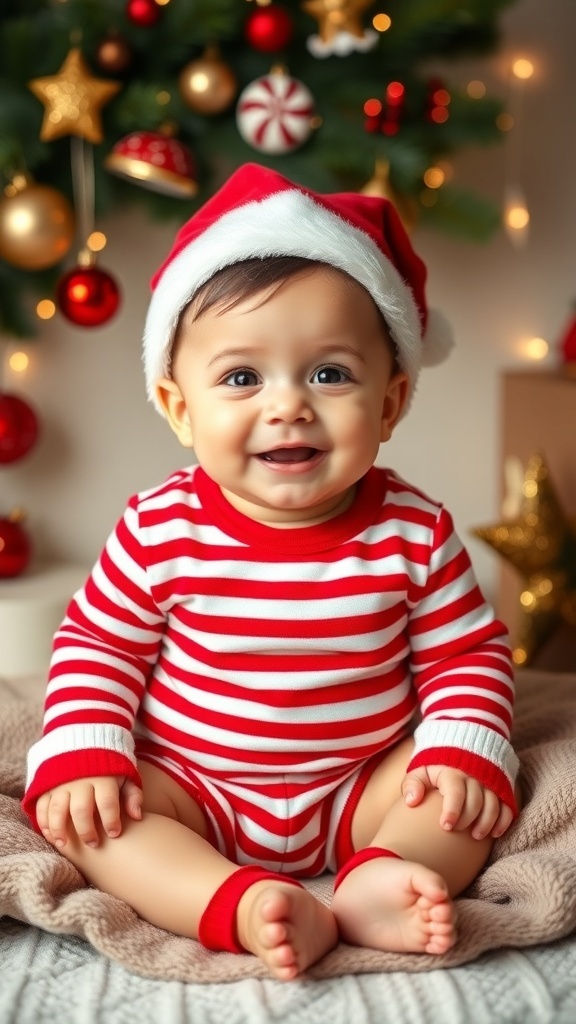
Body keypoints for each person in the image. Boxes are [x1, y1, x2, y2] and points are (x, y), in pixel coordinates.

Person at [23, 163, 519, 982]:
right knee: (91, 816)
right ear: (180, 406)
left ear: (391, 403)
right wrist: (85, 741)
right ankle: (234, 902)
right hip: (195, 785)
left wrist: (462, 747)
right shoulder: (158, 527)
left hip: (361, 786)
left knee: (465, 796)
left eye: (330, 373)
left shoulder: (416, 531)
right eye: (241, 378)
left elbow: (466, 656)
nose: (287, 404)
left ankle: (376, 877)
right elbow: (96, 646)